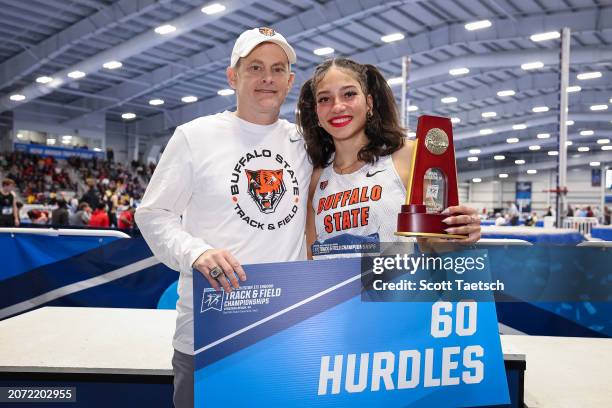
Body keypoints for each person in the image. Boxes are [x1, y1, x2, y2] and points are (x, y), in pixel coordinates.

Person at [135, 27, 310, 408]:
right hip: (209, 329)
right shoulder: (194, 136)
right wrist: (196, 253)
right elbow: (153, 214)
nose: (268, 78)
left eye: (278, 69)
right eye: (255, 68)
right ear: (233, 76)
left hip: (283, 329)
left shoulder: (306, 142)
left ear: (290, 80)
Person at [295, 58, 480, 258]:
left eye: (349, 94)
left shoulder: (408, 156)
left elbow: (434, 244)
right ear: (316, 113)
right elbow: (312, 258)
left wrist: (461, 230)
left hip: (402, 287)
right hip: (338, 289)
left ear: (369, 103)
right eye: (324, 99)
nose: (337, 106)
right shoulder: (316, 179)